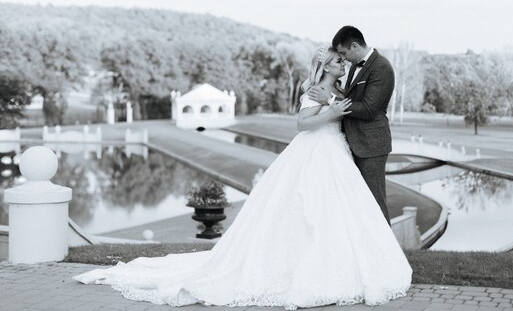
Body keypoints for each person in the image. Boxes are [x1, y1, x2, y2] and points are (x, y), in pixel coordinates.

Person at [73, 45, 412, 310]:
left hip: (336, 154)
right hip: (316, 153)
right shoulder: (312, 92)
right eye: (338, 61)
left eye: (342, 60)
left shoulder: (337, 89)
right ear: (325, 66)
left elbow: (356, 107)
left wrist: (337, 104)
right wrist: (332, 112)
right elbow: (303, 124)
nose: (343, 65)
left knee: (340, 211)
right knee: (309, 209)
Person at [308, 26, 395, 223]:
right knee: (356, 202)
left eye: (344, 53)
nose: (344, 59)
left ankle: (386, 251)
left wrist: (329, 100)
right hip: (351, 143)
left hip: (371, 145)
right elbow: (348, 97)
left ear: (354, 46)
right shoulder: (356, 67)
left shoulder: (382, 67)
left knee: (374, 201)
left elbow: (368, 109)